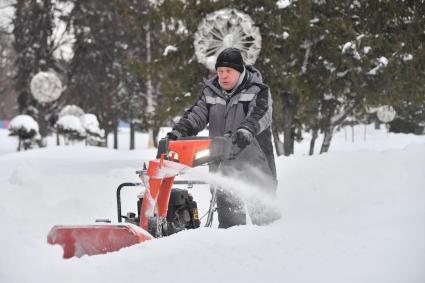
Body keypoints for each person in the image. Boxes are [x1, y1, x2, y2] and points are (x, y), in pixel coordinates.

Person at [166, 47, 277, 228]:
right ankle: (230, 255)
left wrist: (246, 130)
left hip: (256, 167)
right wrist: (177, 134)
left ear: (239, 71)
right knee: (229, 227)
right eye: (220, 71)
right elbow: (195, 115)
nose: (223, 76)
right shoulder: (211, 92)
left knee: (266, 224)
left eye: (228, 71)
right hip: (222, 168)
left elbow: (260, 114)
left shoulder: (258, 91)